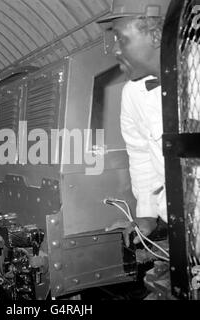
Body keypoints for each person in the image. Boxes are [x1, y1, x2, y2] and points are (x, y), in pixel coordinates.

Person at [96, 0, 171, 247]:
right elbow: (141, 155)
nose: (115, 49)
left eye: (121, 38)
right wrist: (146, 217)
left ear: (157, 35)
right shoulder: (133, 93)